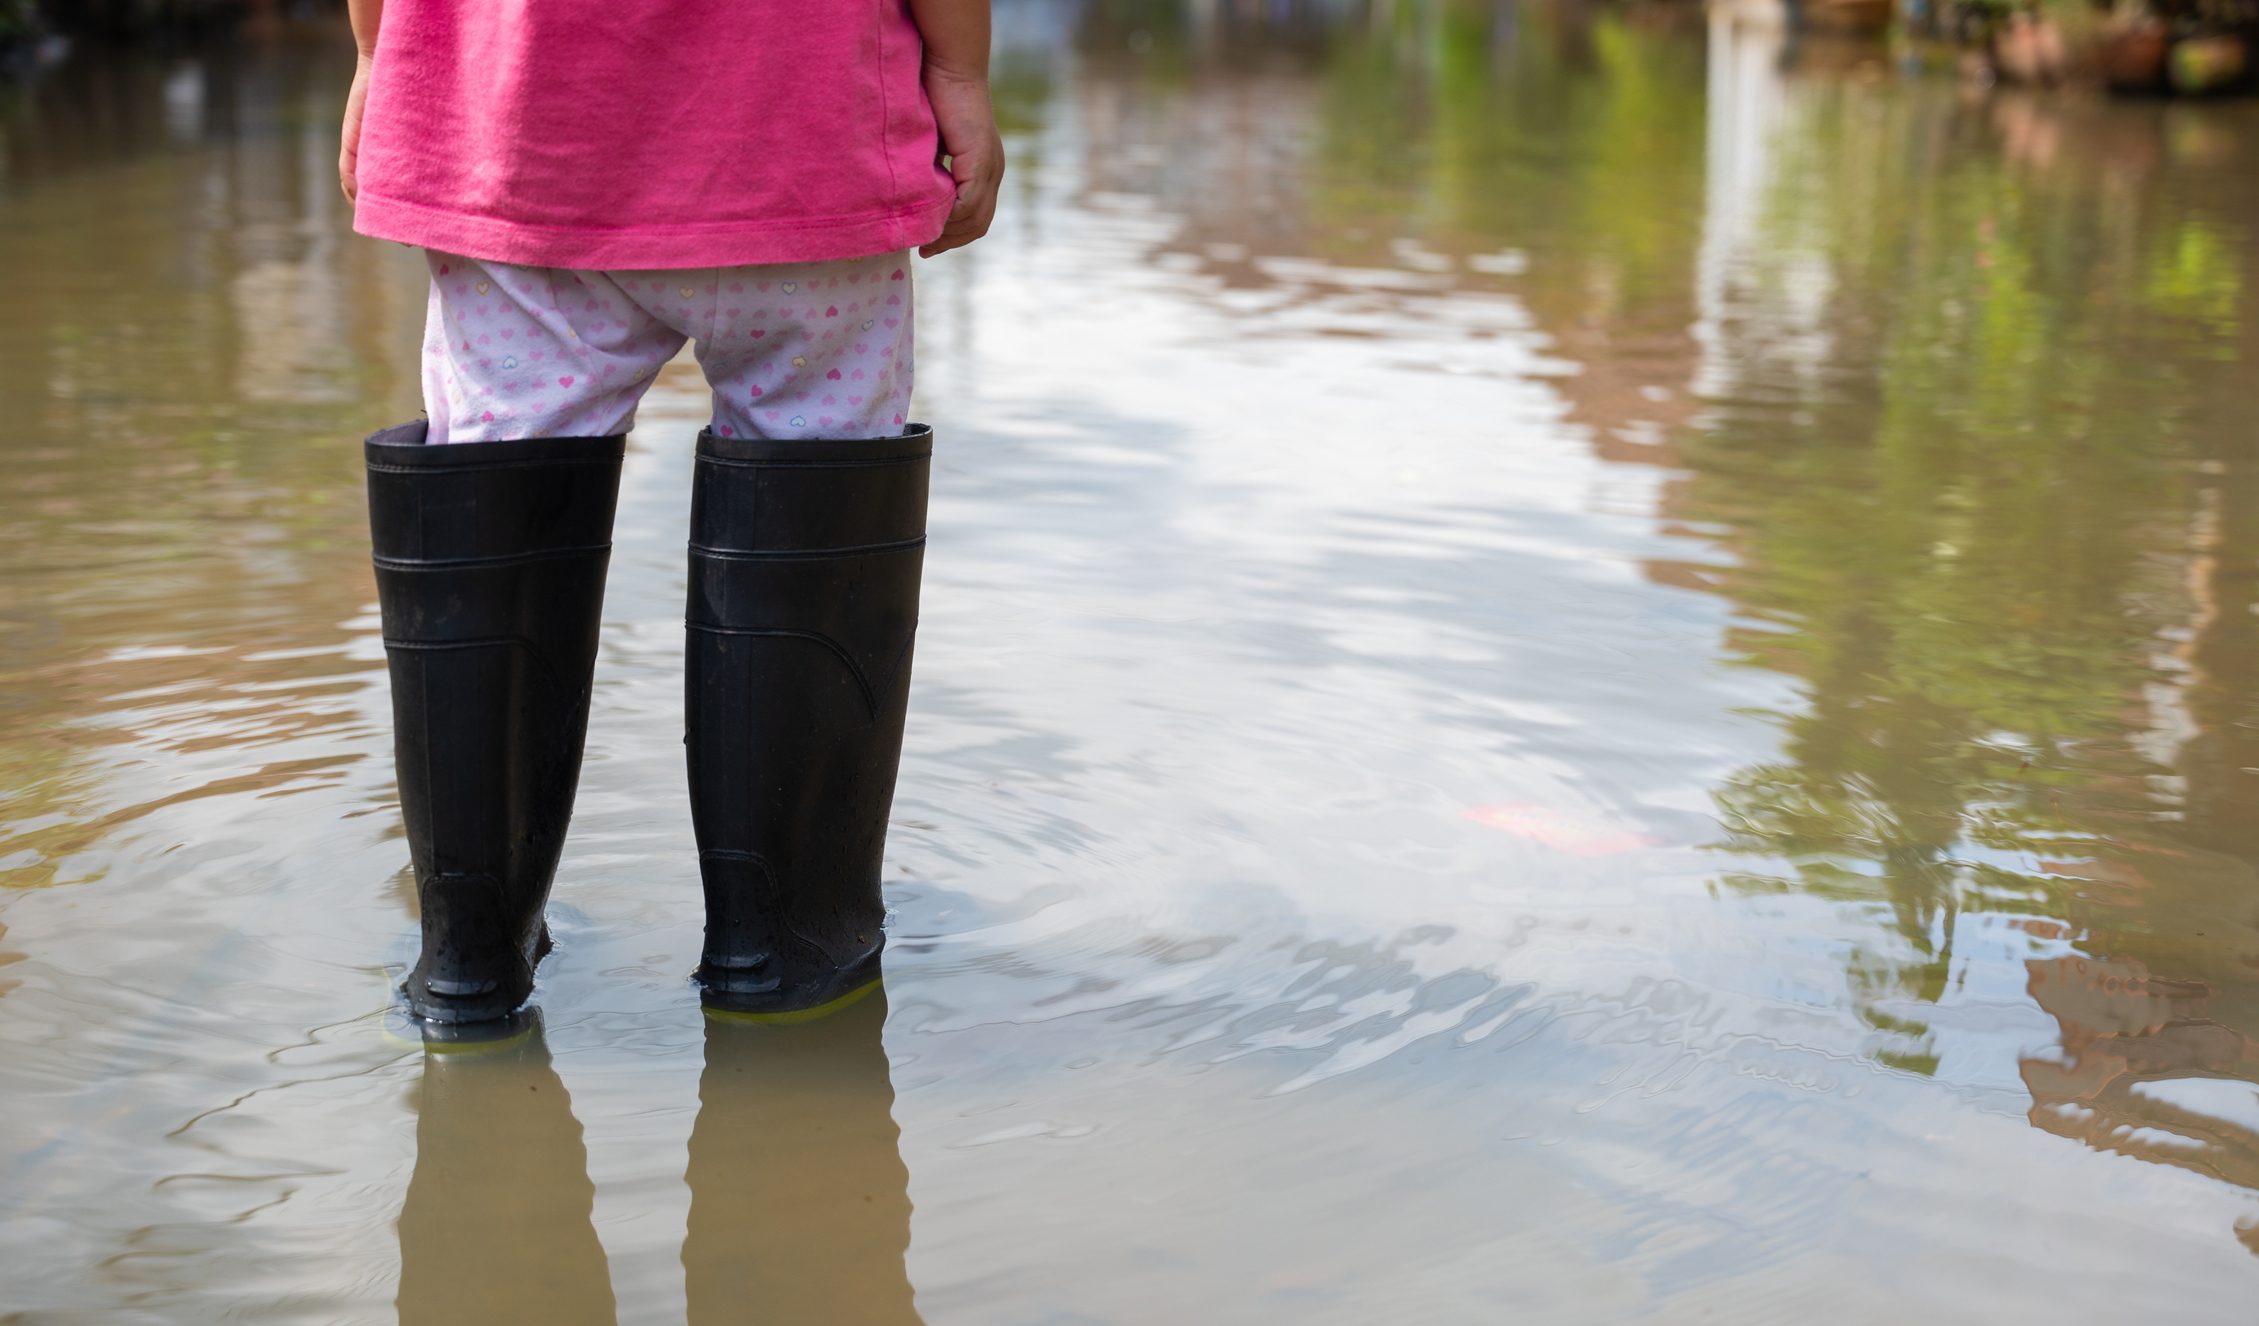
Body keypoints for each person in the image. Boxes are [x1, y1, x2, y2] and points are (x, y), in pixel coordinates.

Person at [338, 0, 1003, 1024]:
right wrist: (959, 78)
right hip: (799, 139)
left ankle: (470, 968)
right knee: (815, 471)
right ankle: (786, 968)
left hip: (518, 147)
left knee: (492, 495)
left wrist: (381, 54)